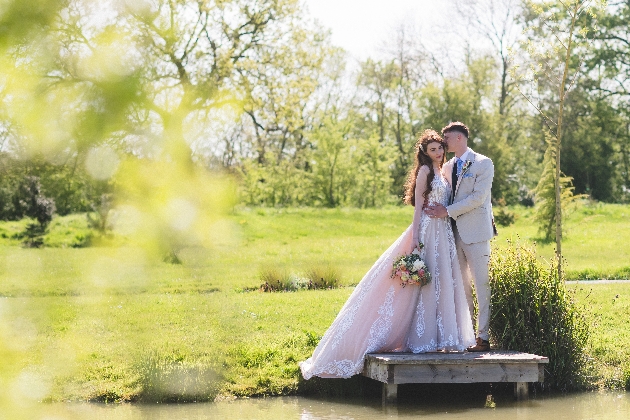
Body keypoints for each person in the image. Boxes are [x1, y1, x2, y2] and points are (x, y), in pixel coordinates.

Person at [299, 129, 475, 380]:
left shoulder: (443, 170)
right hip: (427, 230)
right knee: (422, 281)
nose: (438, 152)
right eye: (432, 150)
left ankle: (441, 337)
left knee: (442, 280)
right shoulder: (425, 172)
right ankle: (416, 338)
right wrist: (415, 238)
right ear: (424, 154)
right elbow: (417, 208)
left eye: (439, 148)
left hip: (444, 233)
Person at [425, 122, 496, 352]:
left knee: (481, 284)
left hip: (476, 233)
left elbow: (477, 198)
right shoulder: (446, 167)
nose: (443, 144)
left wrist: (446, 211)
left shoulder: (483, 164)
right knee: (461, 287)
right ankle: (467, 336)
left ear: (458, 138)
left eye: (446, 140)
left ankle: (483, 337)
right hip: (452, 235)